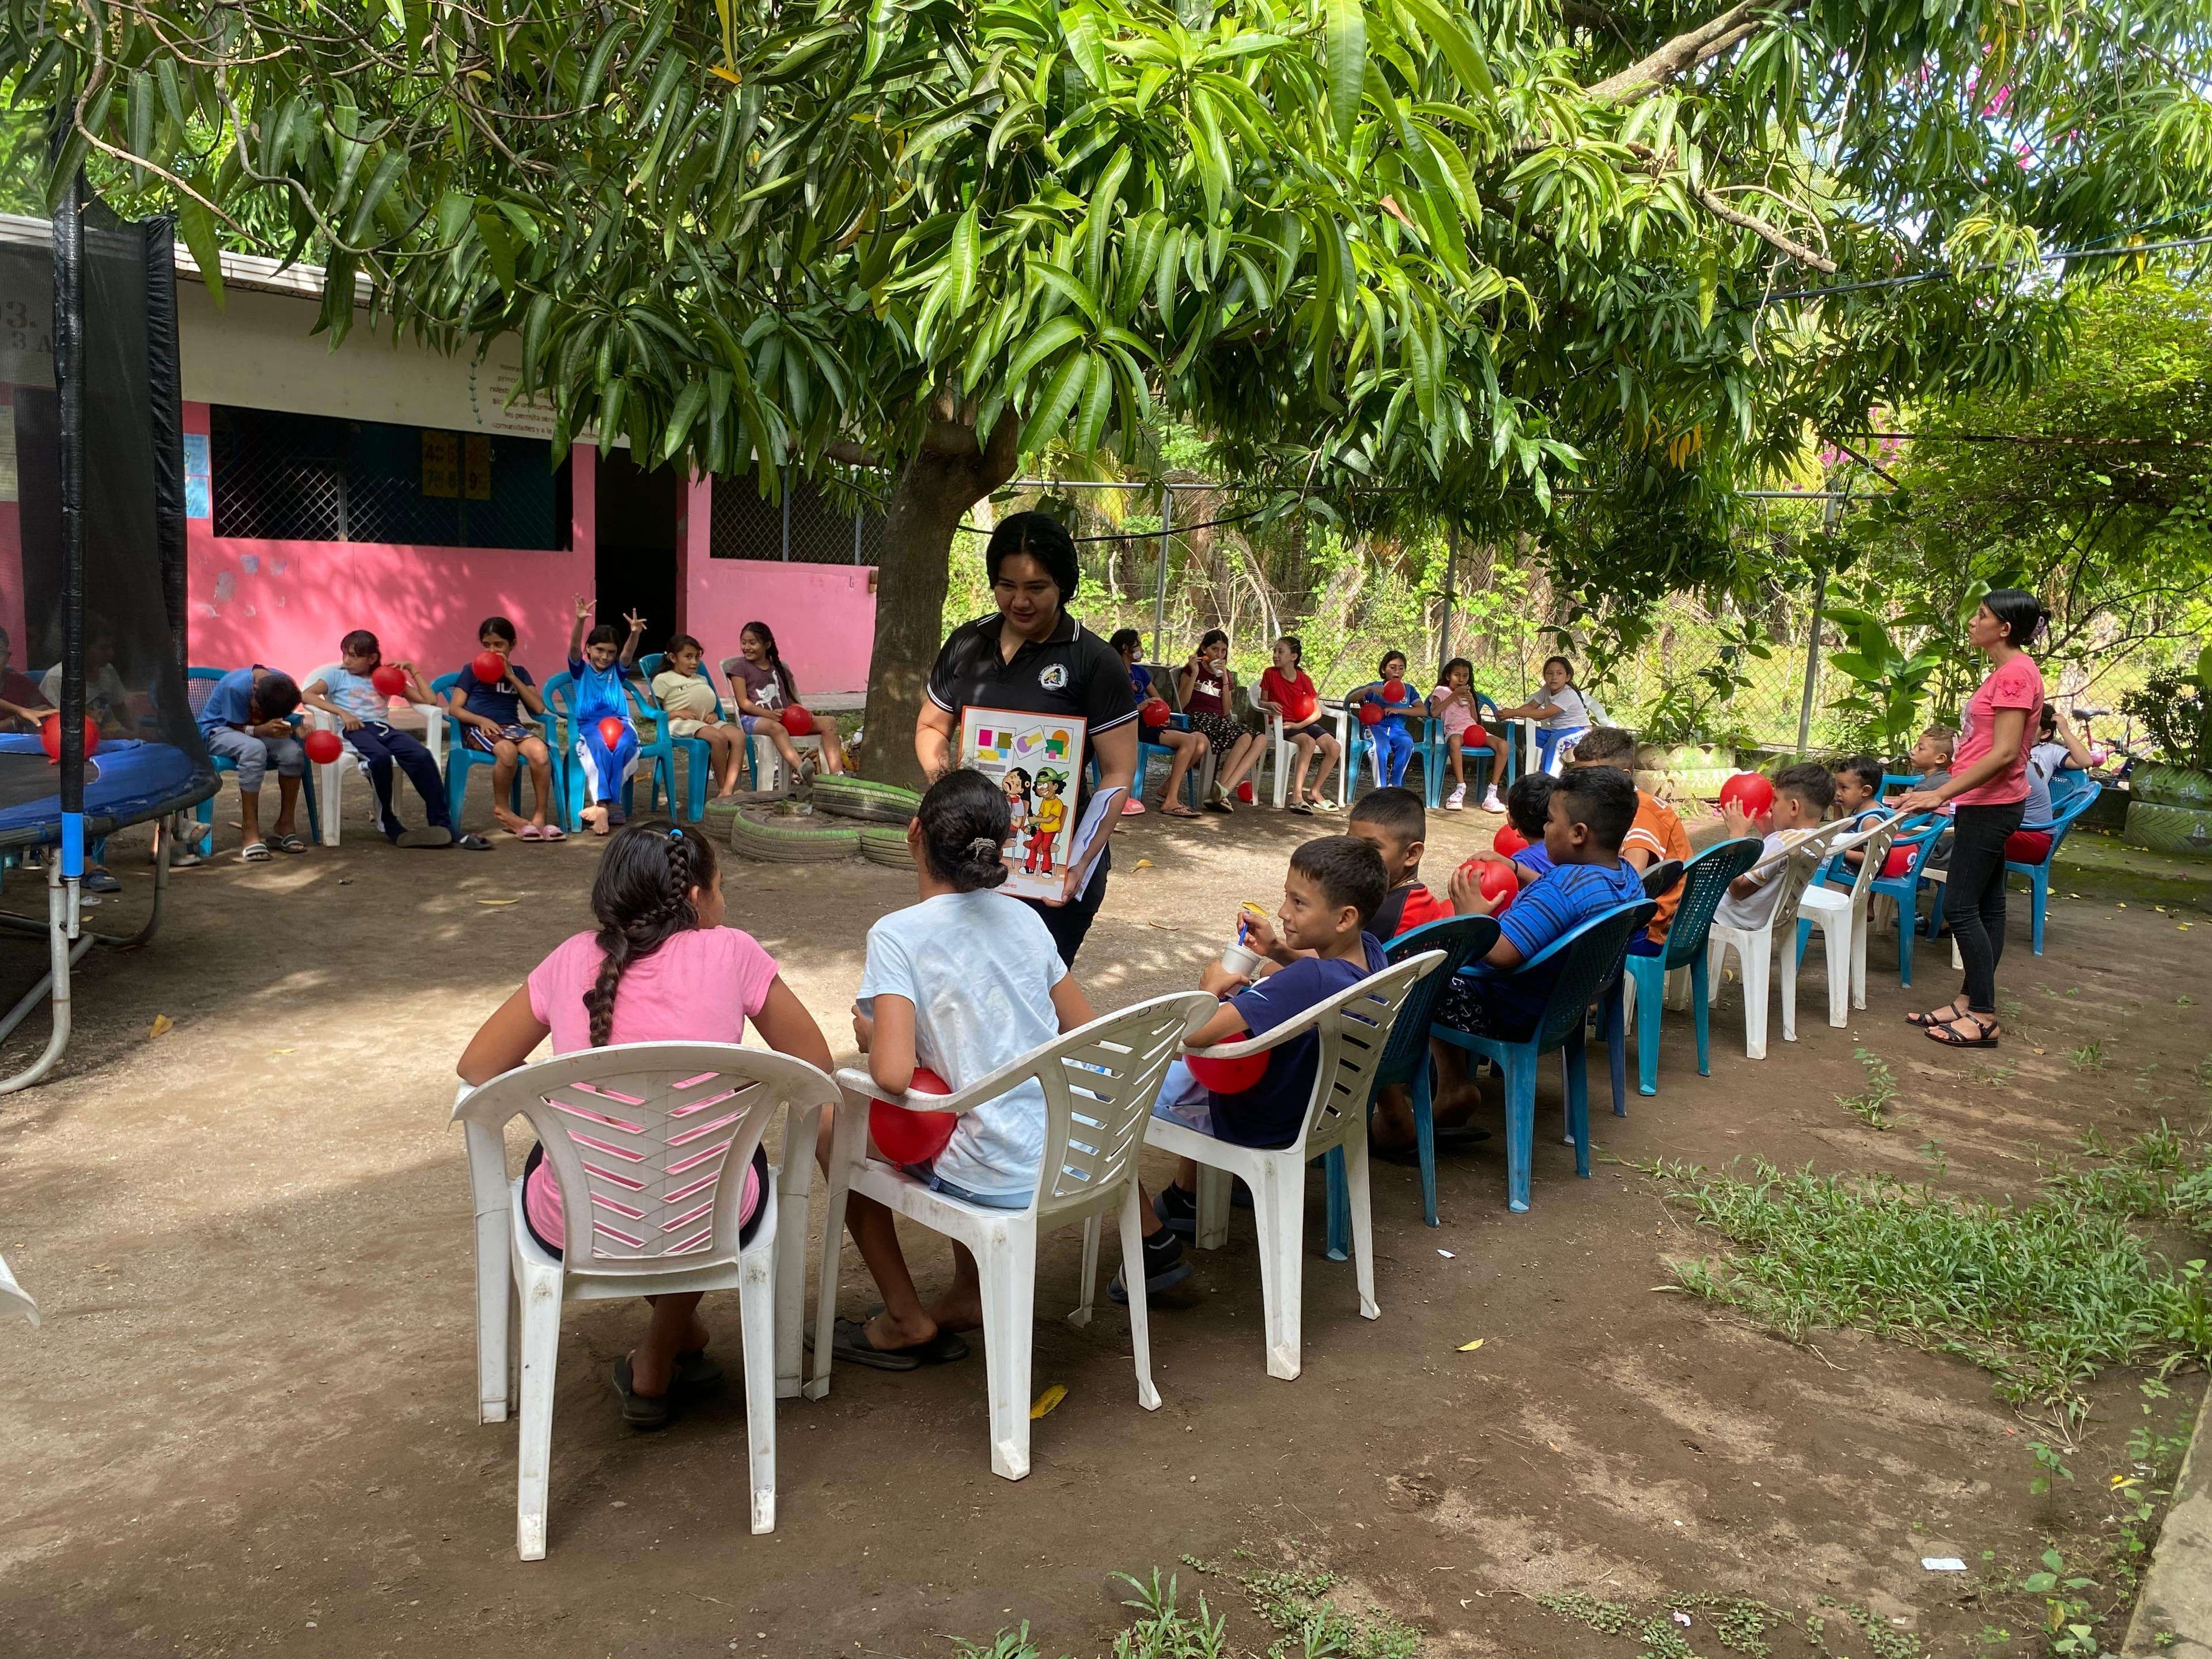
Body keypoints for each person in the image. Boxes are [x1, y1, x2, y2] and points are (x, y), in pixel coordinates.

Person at [456, 824, 835, 1427]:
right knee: (708, 1161)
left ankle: (662, 1349)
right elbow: (815, 1065)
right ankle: (664, 1347)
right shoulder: (733, 951)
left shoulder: (569, 958)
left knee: (616, 1163)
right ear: (693, 897)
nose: (725, 902)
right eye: (720, 887)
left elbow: (477, 1067)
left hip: (580, 1219)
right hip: (708, 1214)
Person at [831, 770, 1097, 1365]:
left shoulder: (897, 935)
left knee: (831, 1131)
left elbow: (894, 1075)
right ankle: (970, 1295)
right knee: (974, 1096)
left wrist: (872, 1033)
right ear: (1000, 847)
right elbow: (1085, 1028)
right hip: (1061, 1153)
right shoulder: (1027, 919)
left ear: (915, 832)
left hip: (993, 1173)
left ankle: (905, 1317)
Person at [1139, 837, 1388, 1287]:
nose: (1284, 912)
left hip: (1255, 1120)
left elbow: (1196, 1034)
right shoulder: (1368, 952)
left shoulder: (1310, 979)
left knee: (1105, 1086)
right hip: (1315, 1111)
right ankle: (1182, 1206)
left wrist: (1210, 986)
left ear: (1344, 917)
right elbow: (1306, 979)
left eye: (1298, 903)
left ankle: (1152, 1243)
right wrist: (1276, 949)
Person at [918, 512, 1138, 967]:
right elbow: (931, 727)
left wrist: (1077, 865)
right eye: (1006, 585)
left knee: (1032, 1003)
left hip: (1051, 867)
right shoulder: (966, 644)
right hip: (970, 862)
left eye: (1036, 587)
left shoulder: (1094, 661)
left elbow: (1118, 771)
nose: (1019, 600)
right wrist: (955, 801)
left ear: (1064, 585)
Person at [1426, 766, 1647, 1121]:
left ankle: (1451, 1084)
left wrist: (1469, 915)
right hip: (1568, 1007)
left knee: (1427, 971)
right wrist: (1515, 869)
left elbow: (1501, 955)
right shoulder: (1626, 879)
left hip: (1513, 1011)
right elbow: (1569, 895)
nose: (1544, 829)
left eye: (1550, 821)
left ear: (1578, 833)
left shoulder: (1559, 887)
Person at [1896, 590, 2047, 1050]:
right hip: (1988, 801)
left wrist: (1939, 793)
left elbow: (2003, 752)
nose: (1972, 622)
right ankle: (1968, 1003)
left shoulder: (2016, 674)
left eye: (1981, 616)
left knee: (1960, 906)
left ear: (2004, 628)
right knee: (1988, 905)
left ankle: (1983, 1015)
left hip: (1992, 803)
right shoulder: (2008, 671)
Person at [304, 632, 490, 850]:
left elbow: (429, 701)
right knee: (380, 758)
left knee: (422, 756)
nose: (347, 660)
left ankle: (443, 825)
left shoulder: (385, 677)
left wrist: (412, 670)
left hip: (384, 730)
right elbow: (307, 695)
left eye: (354, 656)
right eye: (345, 654)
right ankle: (389, 822)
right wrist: (342, 713)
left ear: (372, 658)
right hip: (353, 730)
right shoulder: (337, 676)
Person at [1568, 728, 1688, 953]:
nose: (1581, 787)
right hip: (1644, 921)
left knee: (1560, 940)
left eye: (1592, 778)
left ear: (1622, 777)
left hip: (1650, 930)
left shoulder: (1642, 813)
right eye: (1578, 777)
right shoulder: (1612, 806)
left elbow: (1631, 875)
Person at [447, 615, 559, 840]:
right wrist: (481, 720)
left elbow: (538, 706)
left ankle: (539, 817)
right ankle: (503, 809)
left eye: (499, 645)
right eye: (487, 645)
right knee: (507, 751)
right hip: (479, 728)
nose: (492, 651)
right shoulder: (472, 670)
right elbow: (455, 709)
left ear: (513, 645)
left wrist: (511, 676)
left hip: (511, 727)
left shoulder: (520, 673)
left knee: (540, 753)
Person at [195, 664, 308, 862]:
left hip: (259, 731)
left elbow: (287, 715)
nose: (254, 708)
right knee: (254, 750)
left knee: (293, 753)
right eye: (256, 706)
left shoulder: (284, 685)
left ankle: (285, 825)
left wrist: (297, 728)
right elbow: (233, 724)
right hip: (220, 730)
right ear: (255, 689)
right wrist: (260, 730)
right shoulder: (235, 688)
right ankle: (250, 829)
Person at [1711, 763, 1835, 932]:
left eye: (1775, 800)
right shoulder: (1813, 838)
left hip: (1731, 915)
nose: (1770, 806)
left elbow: (1737, 891)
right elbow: (1771, 867)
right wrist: (1769, 832)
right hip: (1768, 918)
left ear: (1794, 807)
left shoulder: (1781, 842)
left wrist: (1736, 838)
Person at [726, 619, 849, 781]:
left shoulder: (779, 668)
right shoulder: (739, 669)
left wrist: (803, 714)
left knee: (829, 722)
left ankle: (838, 776)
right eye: (743, 643)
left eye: (752, 643)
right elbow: (743, 703)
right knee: (776, 728)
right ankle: (802, 770)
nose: (747, 647)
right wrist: (768, 714)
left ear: (767, 644)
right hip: (753, 719)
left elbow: (792, 701)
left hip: (783, 719)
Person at [566, 595, 645, 835]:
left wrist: (635, 633)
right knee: (600, 746)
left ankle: (604, 806)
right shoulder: (580, 670)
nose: (605, 657)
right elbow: (573, 648)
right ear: (588, 649)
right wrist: (579, 622)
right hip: (590, 725)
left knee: (624, 746)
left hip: (621, 722)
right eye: (599, 650)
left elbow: (629, 653)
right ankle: (606, 805)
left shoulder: (617, 671)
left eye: (611, 652)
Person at [1166, 629, 1267, 815]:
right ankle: (1220, 793)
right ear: (1204, 649)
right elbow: (1182, 704)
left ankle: (1223, 789)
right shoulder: (1192, 669)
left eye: (1223, 651)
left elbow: (1226, 710)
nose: (1219, 655)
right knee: (1244, 737)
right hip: (1196, 718)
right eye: (1214, 649)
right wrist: (1195, 673)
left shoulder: (1225, 675)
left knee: (1260, 739)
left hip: (1218, 721)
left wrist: (1225, 681)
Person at [1109, 626, 1202, 816]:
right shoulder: (1113, 674)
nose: (1141, 650)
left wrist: (1162, 714)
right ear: (1126, 648)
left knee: (1201, 739)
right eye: (1138, 645)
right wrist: (1140, 708)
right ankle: (1171, 801)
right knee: (1189, 740)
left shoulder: (1140, 672)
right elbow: (1113, 710)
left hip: (1152, 723)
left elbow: (1157, 699)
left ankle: (1167, 788)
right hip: (1133, 724)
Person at [650, 634, 746, 802]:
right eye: (688, 657)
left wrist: (713, 714)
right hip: (679, 723)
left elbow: (706, 702)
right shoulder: (664, 679)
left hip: (705, 721)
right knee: (718, 738)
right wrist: (674, 714)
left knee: (739, 736)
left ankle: (730, 788)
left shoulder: (700, 678)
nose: (694, 662)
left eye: (697, 657)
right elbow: (651, 709)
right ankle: (724, 789)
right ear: (673, 658)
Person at [1257, 635, 1340, 812]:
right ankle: (1297, 796)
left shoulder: (1304, 679)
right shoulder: (1270, 674)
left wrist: (1299, 725)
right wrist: (1269, 704)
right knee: (1309, 742)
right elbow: (1262, 702)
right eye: (1274, 651)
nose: (1275, 655)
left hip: (1302, 724)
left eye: (1280, 652)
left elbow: (1317, 712)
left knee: (1334, 747)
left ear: (1293, 657)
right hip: (1283, 724)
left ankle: (1315, 792)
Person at [1491, 654, 1594, 782]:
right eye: (1550, 673)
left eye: (1559, 673)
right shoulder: (1546, 689)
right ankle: (1534, 770)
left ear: (1568, 677)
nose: (1554, 677)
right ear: (1545, 676)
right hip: (1557, 731)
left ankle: (1548, 780)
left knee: (1556, 742)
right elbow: (1531, 706)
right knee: (1530, 736)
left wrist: (1513, 713)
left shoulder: (1568, 694)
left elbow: (1544, 714)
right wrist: (1510, 712)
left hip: (1579, 731)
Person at [1346, 650, 1425, 791]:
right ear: (1384, 669)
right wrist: (1367, 689)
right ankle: (1381, 788)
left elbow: (1423, 711)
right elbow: (1350, 699)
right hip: (1376, 728)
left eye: (1401, 668)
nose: (1397, 671)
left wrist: (1399, 710)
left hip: (1398, 729)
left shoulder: (1408, 689)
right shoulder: (1376, 687)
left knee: (1407, 744)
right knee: (1380, 746)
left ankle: (1394, 785)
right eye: (1393, 667)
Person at [1428, 657, 1490, 810]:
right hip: (1454, 730)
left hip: (1472, 730)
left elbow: (1475, 721)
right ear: (1448, 676)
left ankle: (1492, 793)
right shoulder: (1441, 691)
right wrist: (1453, 696)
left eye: (1465, 676)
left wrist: (1473, 704)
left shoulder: (1468, 694)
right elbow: (1434, 713)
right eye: (1457, 675)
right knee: (1454, 742)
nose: (1461, 680)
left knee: (1503, 745)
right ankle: (1460, 787)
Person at [0, 627, 50, 730]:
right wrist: (17, 719)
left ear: (8, 657)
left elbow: (46, 710)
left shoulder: (20, 684)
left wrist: (41, 711)